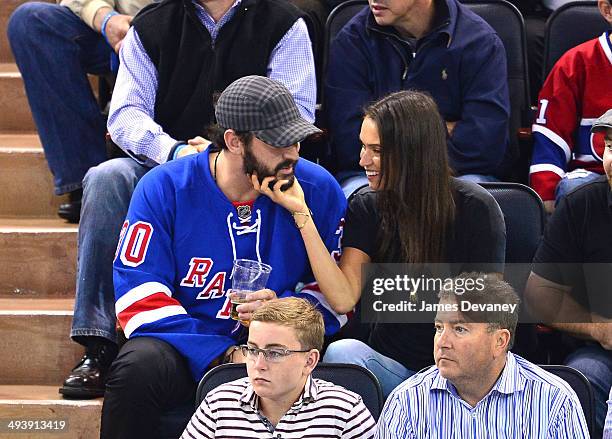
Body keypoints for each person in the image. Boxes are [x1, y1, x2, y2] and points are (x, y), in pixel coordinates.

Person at [58, 0, 318, 399]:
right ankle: (99, 344)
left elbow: (294, 113)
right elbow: (126, 114)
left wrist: (225, 154)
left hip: (251, 157)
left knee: (319, 182)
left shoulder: (284, 22)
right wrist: (179, 154)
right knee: (107, 177)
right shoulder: (152, 23)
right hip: (168, 161)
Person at [100, 75, 346, 437]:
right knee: (137, 366)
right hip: (187, 349)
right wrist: (221, 354)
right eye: (277, 143)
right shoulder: (164, 187)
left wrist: (285, 310)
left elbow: (339, 295)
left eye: (295, 139)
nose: (292, 153)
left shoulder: (316, 188)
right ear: (233, 141)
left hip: (285, 353)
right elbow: (139, 296)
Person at [255, 90, 506, 397]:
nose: (362, 160)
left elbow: (486, 316)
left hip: (459, 373)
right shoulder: (366, 207)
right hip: (392, 370)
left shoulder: (476, 209)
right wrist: (302, 214)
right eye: (362, 146)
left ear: (413, 152)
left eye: (376, 150)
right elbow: (343, 298)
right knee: (343, 354)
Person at [324, 0, 511, 196]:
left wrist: (388, 140)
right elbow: (349, 140)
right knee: (357, 198)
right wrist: (435, 132)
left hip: (457, 173)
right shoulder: (352, 40)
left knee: (474, 197)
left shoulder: (480, 42)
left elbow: (484, 144)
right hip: (369, 174)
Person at [374, 273, 590, 438]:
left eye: (460, 329)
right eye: (439, 328)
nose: (442, 342)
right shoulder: (406, 402)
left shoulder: (554, 401)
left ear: (500, 341)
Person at [7, 0, 152, 223]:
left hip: (193, 28)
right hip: (125, 30)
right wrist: (106, 20)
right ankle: (88, 183)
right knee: (31, 22)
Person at [525, 108, 612, 436]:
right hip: (599, 353)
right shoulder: (580, 206)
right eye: (610, 147)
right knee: (582, 378)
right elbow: (539, 296)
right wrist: (600, 329)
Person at [181, 297, 376, 438]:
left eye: (274, 353)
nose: (259, 365)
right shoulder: (218, 403)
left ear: (310, 361)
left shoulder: (346, 411)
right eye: (253, 350)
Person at [529, 0, 612, 214]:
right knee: (573, 189)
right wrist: (546, 195)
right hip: (592, 177)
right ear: (607, 10)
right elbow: (550, 137)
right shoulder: (574, 64)